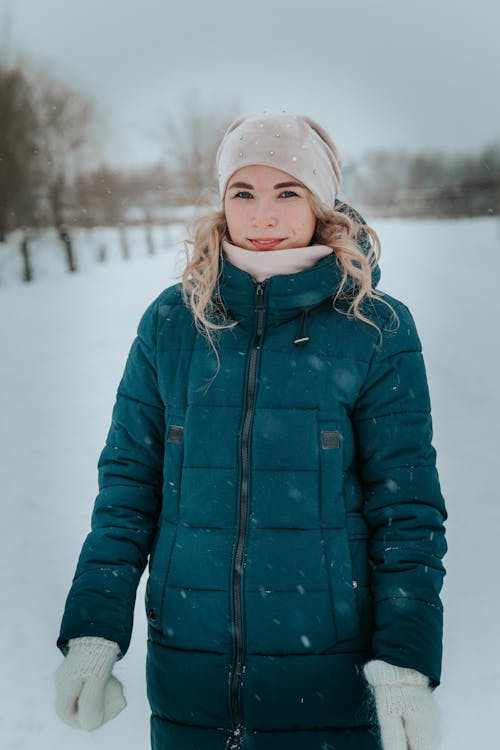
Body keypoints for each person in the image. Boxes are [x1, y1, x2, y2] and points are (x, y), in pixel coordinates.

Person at [54, 112, 447, 750]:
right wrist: (94, 633)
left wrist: (404, 666)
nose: (263, 216)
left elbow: (407, 512)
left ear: (320, 202)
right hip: (190, 677)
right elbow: (127, 492)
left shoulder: (375, 329)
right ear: (223, 201)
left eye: (287, 191)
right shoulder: (172, 324)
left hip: (328, 679)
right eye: (244, 192)